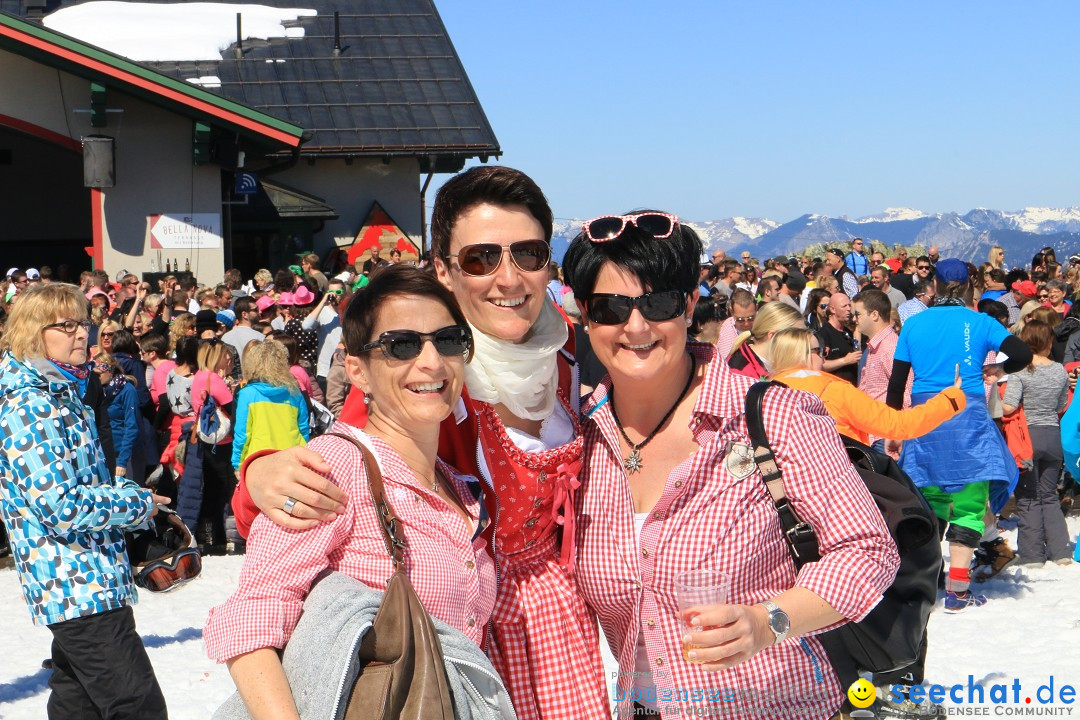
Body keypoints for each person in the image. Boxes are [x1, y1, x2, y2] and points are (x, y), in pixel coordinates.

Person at [234, 166, 611, 719]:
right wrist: (259, 473)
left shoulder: (568, 349)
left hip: (562, 633)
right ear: (444, 270)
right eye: (481, 259)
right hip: (460, 643)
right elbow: (346, 468)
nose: (508, 279)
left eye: (527, 254)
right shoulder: (418, 367)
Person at [561, 213, 899, 719]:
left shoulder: (768, 414)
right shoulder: (580, 438)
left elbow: (868, 550)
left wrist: (769, 621)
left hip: (775, 705)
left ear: (690, 305)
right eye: (611, 308)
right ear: (585, 316)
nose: (635, 327)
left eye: (657, 303)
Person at [203, 267, 498, 717]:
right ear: (357, 370)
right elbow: (253, 619)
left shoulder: (460, 487)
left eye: (448, 340)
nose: (432, 362)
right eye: (402, 345)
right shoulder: (337, 467)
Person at [0, 282, 168, 719]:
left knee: (78, 705)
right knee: (137, 706)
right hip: (75, 582)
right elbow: (59, 505)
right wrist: (136, 505)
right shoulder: (30, 404)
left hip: (87, 578)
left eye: (84, 323)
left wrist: (129, 497)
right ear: (35, 333)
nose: (82, 335)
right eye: (67, 325)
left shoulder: (59, 392)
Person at [886, 258, 1033, 612]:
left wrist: (892, 427)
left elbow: (895, 384)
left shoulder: (914, 324)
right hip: (968, 420)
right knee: (969, 507)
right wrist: (997, 367)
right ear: (970, 286)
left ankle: (926, 582)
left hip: (925, 422)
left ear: (933, 285)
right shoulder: (980, 322)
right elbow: (1023, 352)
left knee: (930, 503)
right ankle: (957, 590)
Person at [768, 327, 964, 449]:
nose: (824, 356)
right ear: (803, 355)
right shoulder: (834, 392)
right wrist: (951, 399)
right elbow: (900, 425)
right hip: (839, 491)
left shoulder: (763, 394)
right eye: (819, 351)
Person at [1001, 320, 1072, 566]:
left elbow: (1009, 406)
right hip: (1053, 435)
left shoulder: (1019, 372)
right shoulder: (1060, 370)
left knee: (1029, 496)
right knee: (1050, 495)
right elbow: (1062, 404)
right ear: (1048, 342)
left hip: (1026, 437)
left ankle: (1032, 555)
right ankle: (1061, 551)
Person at [232, 338, 311, 471]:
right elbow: (303, 430)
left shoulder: (247, 394)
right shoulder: (294, 392)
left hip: (258, 460)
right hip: (292, 459)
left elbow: (242, 434)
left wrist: (238, 465)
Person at [726, 301, 804, 380]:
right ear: (773, 336)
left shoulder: (779, 364)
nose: (803, 343)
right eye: (796, 336)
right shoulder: (740, 373)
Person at [818, 292, 861, 385]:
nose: (849, 309)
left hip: (852, 389)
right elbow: (820, 365)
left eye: (849, 305)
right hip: (835, 390)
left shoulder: (847, 332)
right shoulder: (823, 334)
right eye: (844, 306)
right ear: (833, 309)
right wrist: (845, 361)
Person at [714, 289, 756, 358]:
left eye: (751, 318)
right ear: (731, 311)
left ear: (756, 308)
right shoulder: (727, 334)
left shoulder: (761, 323)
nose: (746, 324)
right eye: (740, 320)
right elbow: (726, 363)